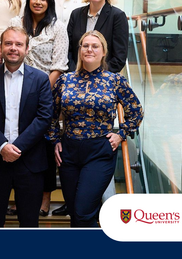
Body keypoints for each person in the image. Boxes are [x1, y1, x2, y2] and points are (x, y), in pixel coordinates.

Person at [47, 30, 143, 227]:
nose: (89, 49)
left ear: (103, 52)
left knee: (83, 211)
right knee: (75, 213)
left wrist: (121, 134)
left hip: (99, 151)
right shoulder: (65, 80)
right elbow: (50, 114)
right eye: (85, 46)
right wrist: (55, 140)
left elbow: (136, 111)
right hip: (69, 152)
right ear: (80, 50)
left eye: (95, 46)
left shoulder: (115, 80)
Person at [0, 26, 54, 227]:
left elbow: (44, 117)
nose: (13, 48)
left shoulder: (41, 79)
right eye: (8, 43)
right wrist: (2, 146)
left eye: (19, 44)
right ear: (0, 48)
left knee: (29, 222)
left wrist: (17, 148)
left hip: (29, 161)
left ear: (27, 49)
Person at [10, 0, 69, 217]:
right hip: (16, 93)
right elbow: (10, 52)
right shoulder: (16, 23)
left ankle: (44, 199)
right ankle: (19, 197)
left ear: (49, 2)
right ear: (28, 0)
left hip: (48, 95)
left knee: (44, 148)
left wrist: (41, 91)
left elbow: (59, 63)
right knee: (19, 141)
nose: (38, 2)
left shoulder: (57, 27)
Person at [67, 0, 128, 73]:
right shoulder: (76, 15)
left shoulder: (117, 16)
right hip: (76, 76)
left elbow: (119, 58)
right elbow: (68, 51)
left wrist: (97, 76)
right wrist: (76, 73)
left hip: (104, 79)